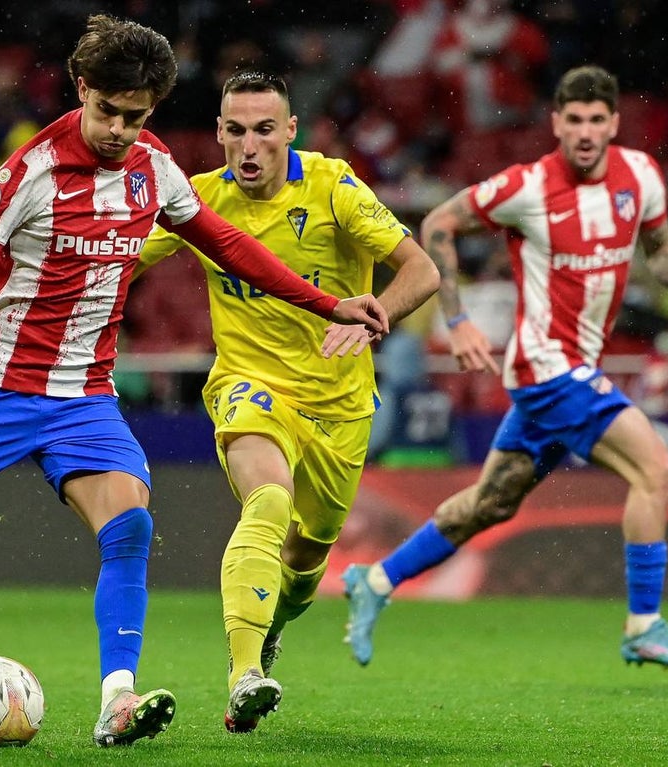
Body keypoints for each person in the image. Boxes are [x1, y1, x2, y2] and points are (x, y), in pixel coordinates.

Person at [0, 15, 389, 749]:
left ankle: (117, 699)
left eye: (136, 117)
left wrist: (330, 303)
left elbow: (228, 244)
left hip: (83, 397)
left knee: (130, 525)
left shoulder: (153, 166)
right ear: (81, 90)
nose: (119, 130)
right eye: (108, 112)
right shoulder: (30, 172)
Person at [343, 65, 668, 670]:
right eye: (574, 120)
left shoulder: (642, 176)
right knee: (656, 470)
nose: (586, 131)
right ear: (556, 123)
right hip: (548, 368)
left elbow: (663, 249)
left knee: (489, 504)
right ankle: (644, 625)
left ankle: (378, 580)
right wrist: (457, 319)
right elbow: (439, 222)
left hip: (567, 372)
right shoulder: (527, 186)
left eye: (597, 119)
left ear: (615, 123)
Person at [137, 71, 439, 733]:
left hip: (339, 404)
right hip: (249, 384)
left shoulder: (334, 187)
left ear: (290, 131)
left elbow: (423, 269)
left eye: (264, 130)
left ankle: (270, 629)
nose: (249, 146)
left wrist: (374, 313)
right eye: (236, 131)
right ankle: (245, 672)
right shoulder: (199, 200)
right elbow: (116, 259)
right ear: (218, 133)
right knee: (267, 497)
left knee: (306, 559)